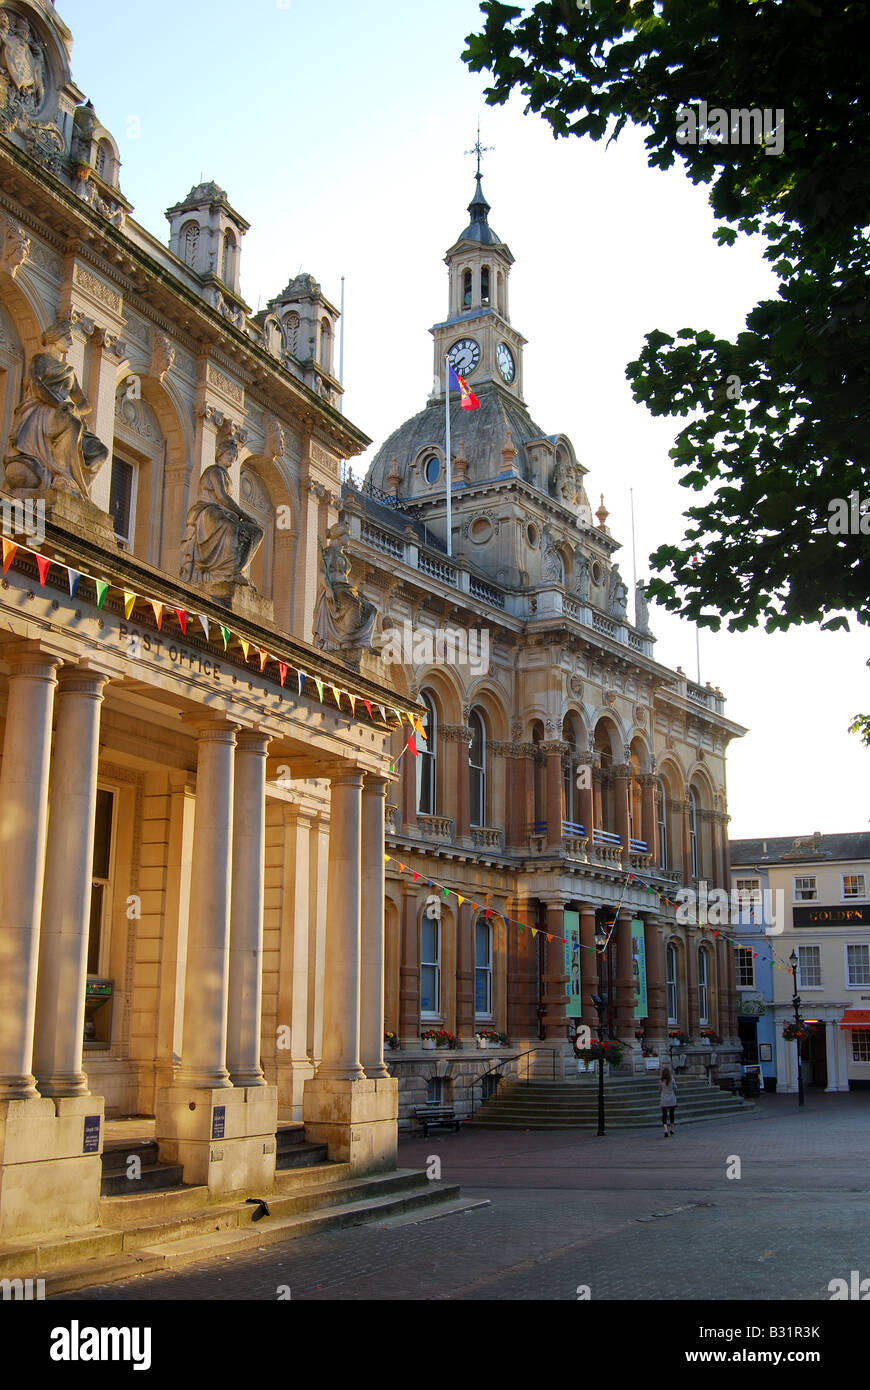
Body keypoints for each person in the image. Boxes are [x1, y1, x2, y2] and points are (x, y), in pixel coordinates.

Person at [659, 1065, 677, 1137]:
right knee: (672, 1114)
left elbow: (659, 1090)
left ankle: (665, 1130)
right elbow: (675, 1088)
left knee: (664, 1115)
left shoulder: (661, 1081)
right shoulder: (672, 1080)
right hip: (672, 1099)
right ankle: (672, 1129)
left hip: (664, 1099)